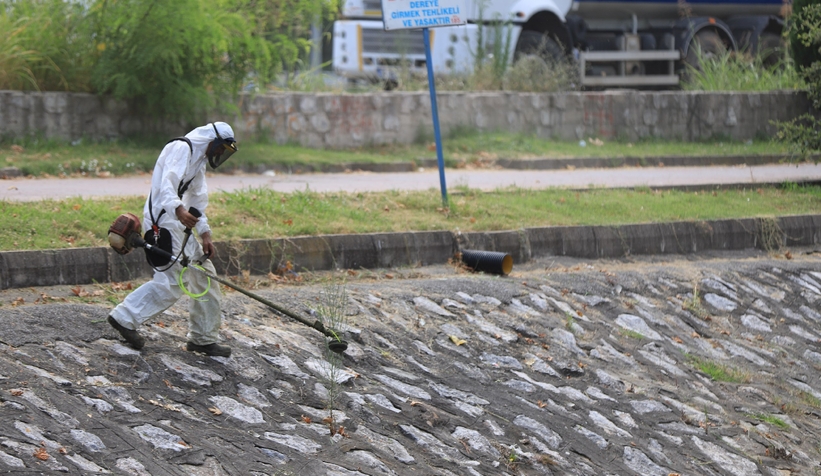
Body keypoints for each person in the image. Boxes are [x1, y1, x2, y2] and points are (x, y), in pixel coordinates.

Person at [107, 122, 238, 357]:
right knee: (173, 281)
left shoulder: (198, 160)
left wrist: (205, 234)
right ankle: (124, 318)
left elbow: (197, 198)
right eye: (221, 149)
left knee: (203, 271)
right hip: (163, 222)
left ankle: (203, 339)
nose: (220, 155)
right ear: (213, 141)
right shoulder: (182, 148)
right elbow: (167, 184)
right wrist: (178, 210)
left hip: (177, 220)